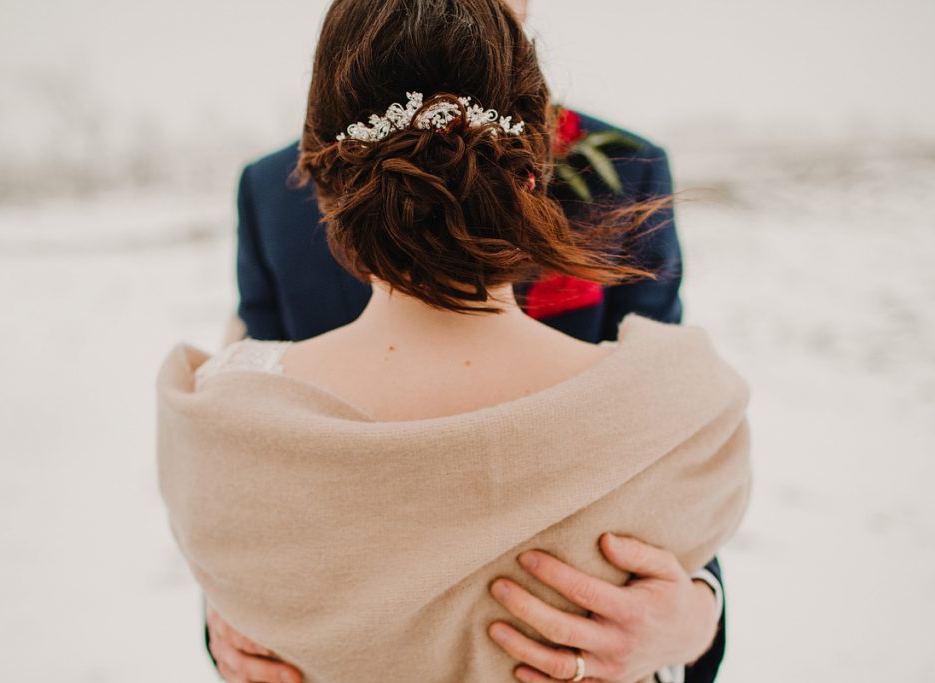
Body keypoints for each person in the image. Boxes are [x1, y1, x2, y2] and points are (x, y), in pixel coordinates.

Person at [158, 1, 751, 682]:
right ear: (533, 177)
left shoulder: (628, 164)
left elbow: (661, 464)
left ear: (328, 184)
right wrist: (237, 608)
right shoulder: (267, 189)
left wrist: (693, 617)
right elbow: (251, 460)